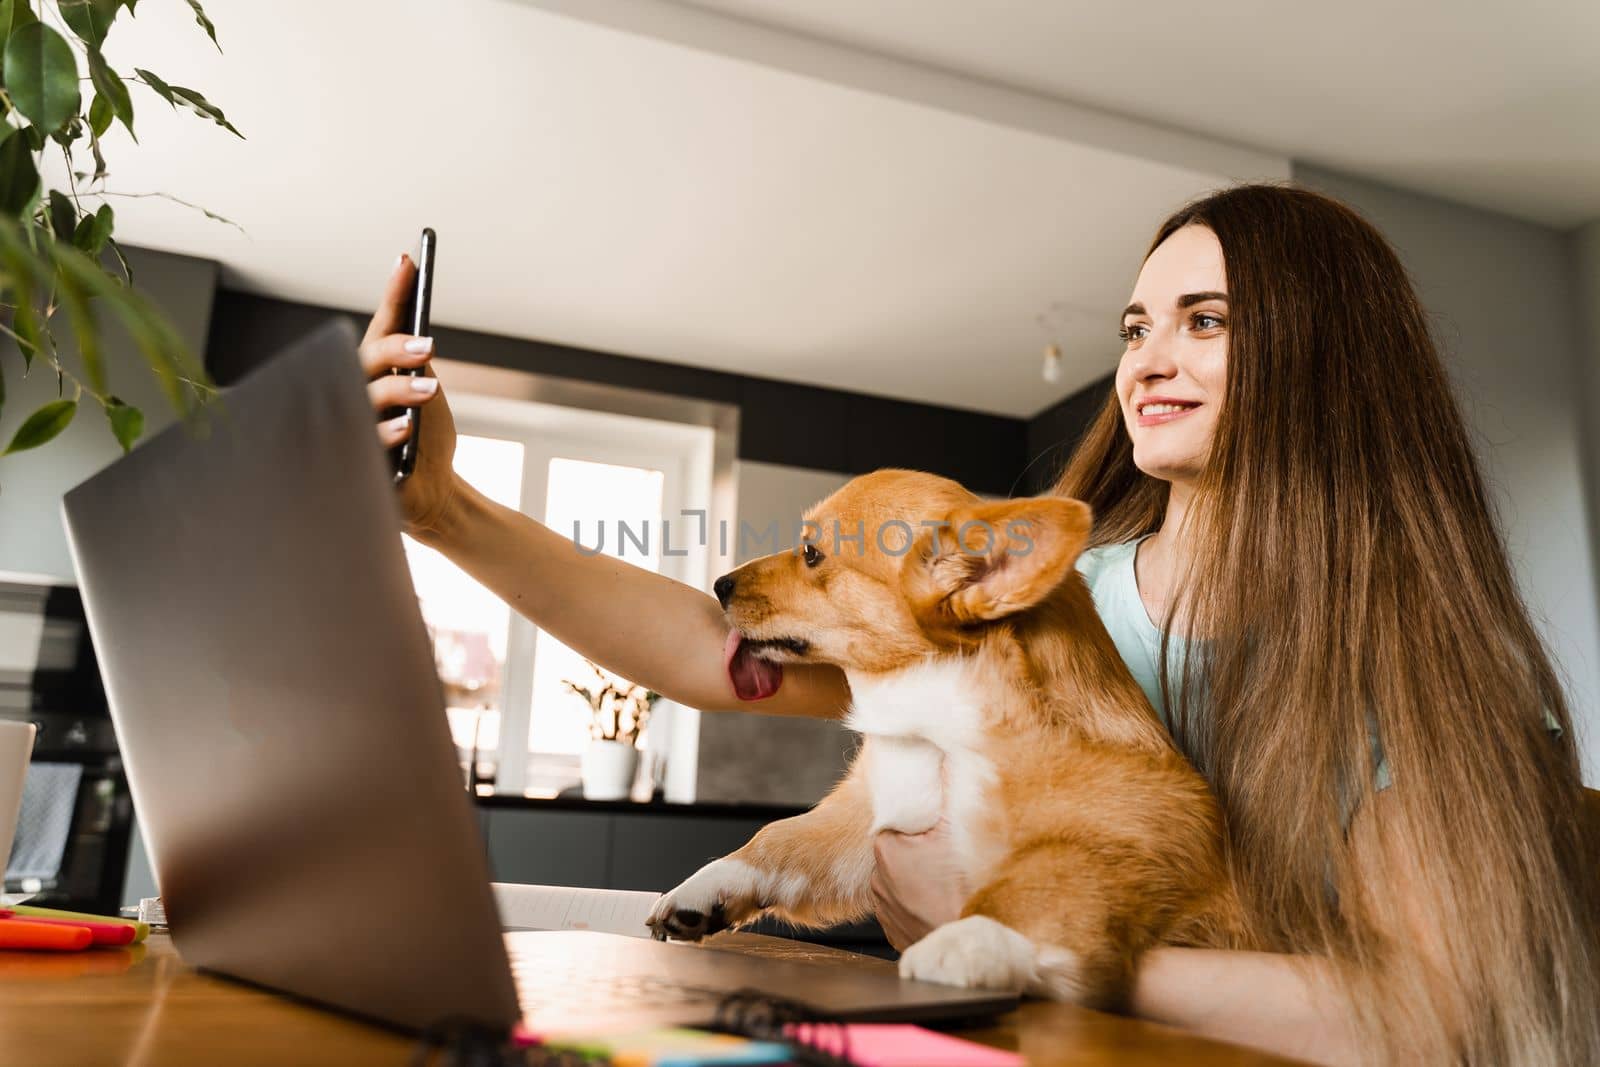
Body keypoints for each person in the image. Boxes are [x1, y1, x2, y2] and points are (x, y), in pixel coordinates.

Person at [358, 184, 1599, 1064]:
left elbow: (1445, 1022)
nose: (1147, 360)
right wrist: (447, 510)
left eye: (1205, 320)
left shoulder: (1424, 672)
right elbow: (714, 650)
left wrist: (1013, 933)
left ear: (1329, 355)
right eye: (1135, 326)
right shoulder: (1065, 604)